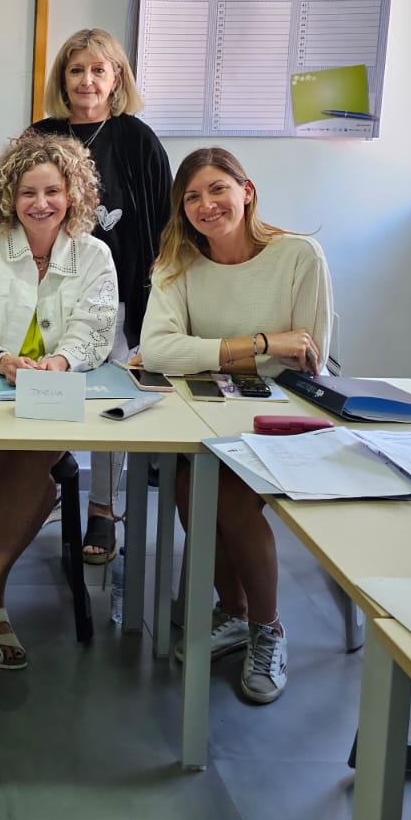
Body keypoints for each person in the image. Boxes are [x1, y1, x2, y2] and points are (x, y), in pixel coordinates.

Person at [140, 147, 332, 706]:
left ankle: (268, 628)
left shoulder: (298, 256)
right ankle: (236, 612)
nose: (207, 205)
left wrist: (205, 353)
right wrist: (263, 344)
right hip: (209, 413)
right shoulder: (177, 262)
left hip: (285, 416)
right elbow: (158, 351)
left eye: (218, 189)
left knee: (221, 490)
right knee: (188, 486)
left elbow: (308, 359)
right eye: (192, 197)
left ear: (247, 191)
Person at [0, 130, 117, 673]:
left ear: (73, 194)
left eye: (52, 191)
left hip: (49, 404)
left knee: (35, 456)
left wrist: (59, 362)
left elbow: (96, 330)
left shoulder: (95, 255)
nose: (41, 203)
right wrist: (1, 359)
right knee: (37, 484)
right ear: (9, 197)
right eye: (28, 192)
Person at [33, 28, 172, 565]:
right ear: (63, 78)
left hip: (117, 296)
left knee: (111, 399)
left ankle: (102, 508)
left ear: (117, 79)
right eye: (76, 70)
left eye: (98, 69)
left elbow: (162, 226)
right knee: (49, 384)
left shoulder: (137, 140)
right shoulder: (41, 135)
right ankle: (45, 484)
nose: (86, 80)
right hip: (47, 293)